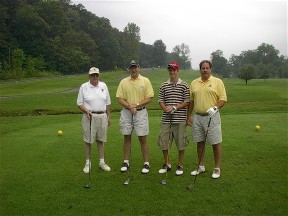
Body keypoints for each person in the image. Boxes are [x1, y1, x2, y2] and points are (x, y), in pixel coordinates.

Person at [187, 60, 227, 179]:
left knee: (215, 143)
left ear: (210, 69)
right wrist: (189, 116)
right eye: (203, 68)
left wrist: (215, 107)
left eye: (207, 68)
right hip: (198, 117)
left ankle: (217, 168)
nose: (205, 70)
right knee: (200, 143)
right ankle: (201, 166)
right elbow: (191, 101)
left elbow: (223, 99)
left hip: (212, 116)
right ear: (200, 69)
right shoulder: (194, 83)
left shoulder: (217, 82)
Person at [116, 60, 154, 174]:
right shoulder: (123, 82)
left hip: (140, 112)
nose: (133, 69)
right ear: (129, 69)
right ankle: (126, 161)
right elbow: (119, 98)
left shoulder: (145, 81)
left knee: (143, 138)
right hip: (127, 112)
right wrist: (129, 106)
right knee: (126, 137)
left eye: (135, 67)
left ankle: (146, 163)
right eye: (131, 68)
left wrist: (136, 105)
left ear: (139, 68)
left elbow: (149, 97)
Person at [77, 67, 111, 173]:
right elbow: (79, 103)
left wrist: (108, 116)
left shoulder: (103, 85)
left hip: (102, 116)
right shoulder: (84, 87)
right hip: (89, 116)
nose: (95, 77)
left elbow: (108, 103)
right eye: (93, 75)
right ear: (89, 76)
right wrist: (87, 111)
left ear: (99, 76)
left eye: (96, 75)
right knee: (88, 140)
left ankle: (102, 162)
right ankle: (87, 163)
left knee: (101, 140)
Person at [158, 62, 190, 176]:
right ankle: (167, 163)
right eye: (170, 70)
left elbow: (187, 101)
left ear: (178, 70)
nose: (172, 72)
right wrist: (165, 108)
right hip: (166, 119)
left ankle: (180, 165)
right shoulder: (163, 85)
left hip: (180, 119)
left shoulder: (184, 85)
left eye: (174, 70)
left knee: (181, 143)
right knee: (164, 142)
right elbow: (161, 101)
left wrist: (175, 107)